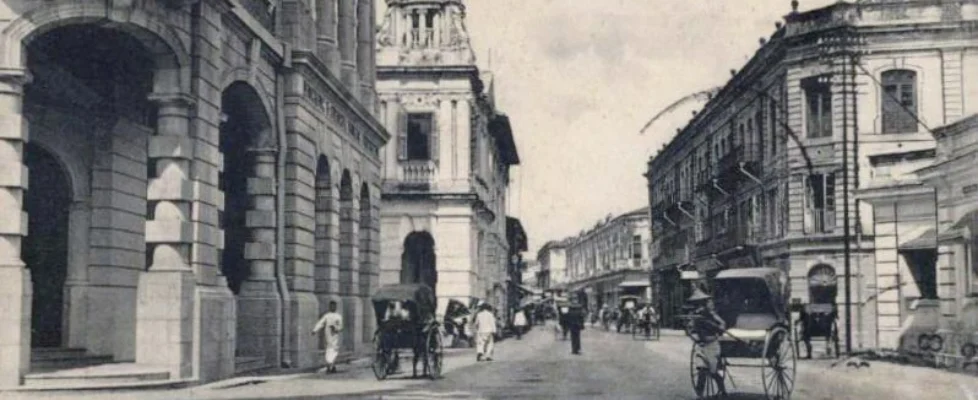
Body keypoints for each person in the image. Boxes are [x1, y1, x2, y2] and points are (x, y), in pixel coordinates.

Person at [688, 288, 727, 396]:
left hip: (713, 345)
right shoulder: (696, 317)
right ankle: (700, 394)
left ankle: (722, 388)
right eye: (697, 305)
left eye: (701, 304)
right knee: (701, 369)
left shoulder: (712, 315)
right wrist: (695, 337)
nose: (699, 307)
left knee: (712, 371)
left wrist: (716, 329)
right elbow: (690, 330)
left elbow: (722, 325)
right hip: (701, 346)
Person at [311, 300, 343, 373]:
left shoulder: (338, 316)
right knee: (328, 350)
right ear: (329, 307)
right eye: (331, 306)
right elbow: (321, 323)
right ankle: (330, 366)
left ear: (336, 307)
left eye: (334, 306)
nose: (332, 307)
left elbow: (341, 326)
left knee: (334, 351)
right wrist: (315, 330)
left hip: (335, 336)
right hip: (328, 335)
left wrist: (336, 328)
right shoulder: (327, 316)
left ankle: (331, 365)